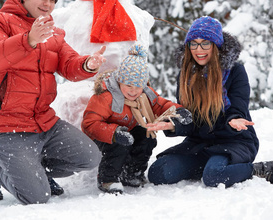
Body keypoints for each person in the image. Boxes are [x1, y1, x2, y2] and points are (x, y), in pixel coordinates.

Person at [0, 0, 105, 205]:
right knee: (36, 197)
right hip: (6, 124)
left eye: (52, 0)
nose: (47, 4)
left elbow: (69, 64)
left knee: (89, 158)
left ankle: (35, 173)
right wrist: (29, 40)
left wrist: (87, 64)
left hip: (43, 122)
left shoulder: (52, 33)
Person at [147, 16, 273, 188]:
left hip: (234, 141)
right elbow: (190, 119)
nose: (199, 49)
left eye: (205, 43)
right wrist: (174, 125)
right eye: (194, 43)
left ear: (216, 45)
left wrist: (233, 119)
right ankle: (210, 166)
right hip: (199, 144)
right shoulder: (185, 76)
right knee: (158, 172)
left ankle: (261, 169)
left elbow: (238, 106)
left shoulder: (235, 71)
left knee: (214, 176)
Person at [81, 45, 193, 194]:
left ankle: (132, 173)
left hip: (128, 129)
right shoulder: (106, 96)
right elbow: (89, 124)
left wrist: (177, 111)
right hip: (104, 135)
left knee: (146, 136)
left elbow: (160, 104)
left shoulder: (145, 94)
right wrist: (113, 132)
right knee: (118, 146)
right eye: (128, 85)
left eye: (138, 86)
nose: (133, 91)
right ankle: (108, 179)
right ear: (120, 81)